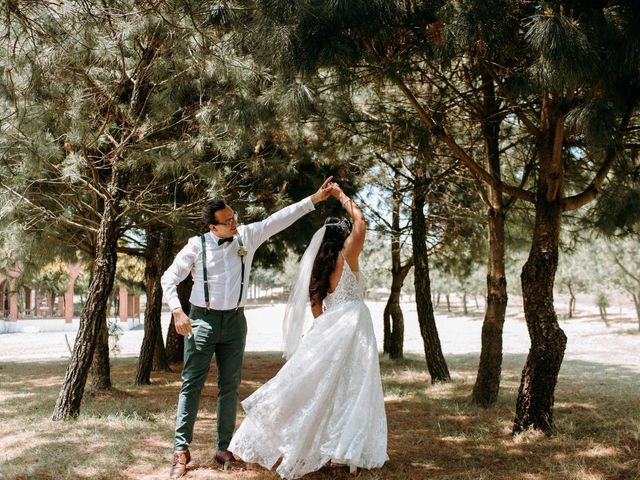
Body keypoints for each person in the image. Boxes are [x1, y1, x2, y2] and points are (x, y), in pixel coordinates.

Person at [161, 178, 333, 479]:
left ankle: (223, 449)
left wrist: (314, 199)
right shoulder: (196, 246)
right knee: (192, 384)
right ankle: (180, 451)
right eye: (228, 222)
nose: (235, 223)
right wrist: (177, 310)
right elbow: (168, 279)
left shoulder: (247, 237)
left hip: (235, 322)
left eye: (235, 217)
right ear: (213, 228)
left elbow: (279, 219)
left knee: (230, 386)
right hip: (202, 319)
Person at [228, 182, 388, 479]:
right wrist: (340, 196)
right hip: (354, 324)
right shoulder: (347, 256)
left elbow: (317, 312)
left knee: (319, 387)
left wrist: (321, 337)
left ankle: (325, 450)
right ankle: (339, 449)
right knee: (351, 387)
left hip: (330, 327)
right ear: (342, 238)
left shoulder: (319, 270)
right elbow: (362, 222)